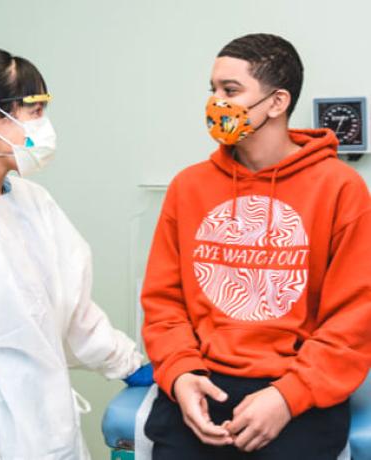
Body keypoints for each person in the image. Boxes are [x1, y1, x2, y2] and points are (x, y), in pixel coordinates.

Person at [0, 48, 151, 460]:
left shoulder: (30, 201)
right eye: (35, 109)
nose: (45, 125)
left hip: (50, 434)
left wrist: (132, 365)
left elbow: (73, 311)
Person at [141, 33, 371, 459]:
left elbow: (354, 320)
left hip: (294, 387)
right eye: (212, 90)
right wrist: (180, 375)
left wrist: (287, 396)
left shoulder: (341, 190)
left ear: (277, 102)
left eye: (230, 91)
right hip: (203, 380)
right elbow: (163, 304)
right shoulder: (188, 187)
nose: (215, 103)